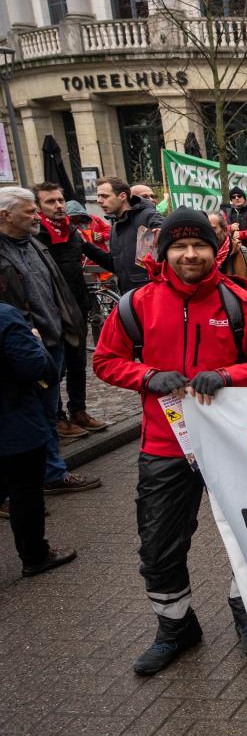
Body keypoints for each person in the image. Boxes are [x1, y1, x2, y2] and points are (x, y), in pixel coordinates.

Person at [92, 208, 247, 674]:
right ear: (164, 253)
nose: (190, 254)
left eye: (199, 245)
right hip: (164, 446)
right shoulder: (135, 304)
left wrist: (227, 375)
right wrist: (147, 376)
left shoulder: (235, 301)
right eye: (179, 246)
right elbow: (105, 361)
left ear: (213, 250)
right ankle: (176, 627)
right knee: (159, 546)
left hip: (232, 445)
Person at [0, 187, 101, 497]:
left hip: (51, 342)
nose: (36, 216)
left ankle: (50, 474)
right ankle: (21, 487)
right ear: (6, 215)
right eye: (30, 211)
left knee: (46, 412)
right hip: (18, 348)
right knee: (22, 416)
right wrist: (24, 330)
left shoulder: (34, 243)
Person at [0, 290, 76, 576]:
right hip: (14, 422)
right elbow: (34, 366)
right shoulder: (5, 316)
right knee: (25, 492)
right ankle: (35, 555)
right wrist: (35, 342)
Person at [33, 182, 112, 437]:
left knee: (78, 363)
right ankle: (57, 417)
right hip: (50, 311)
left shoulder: (72, 231)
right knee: (53, 367)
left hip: (76, 307)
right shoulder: (35, 236)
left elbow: (101, 257)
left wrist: (132, 263)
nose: (58, 206)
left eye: (60, 200)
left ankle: (78, 411)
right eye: (50, 202)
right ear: (38, 207)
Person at [95, 176, 165, 293]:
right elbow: (115, 265)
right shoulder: (115, 227)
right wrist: (85, 246)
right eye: (98, 196)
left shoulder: (147, 216)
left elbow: (169, 237)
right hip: (128, 297)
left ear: (122, 196)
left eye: (105, 196)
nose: (99, 200)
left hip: (151, 295)